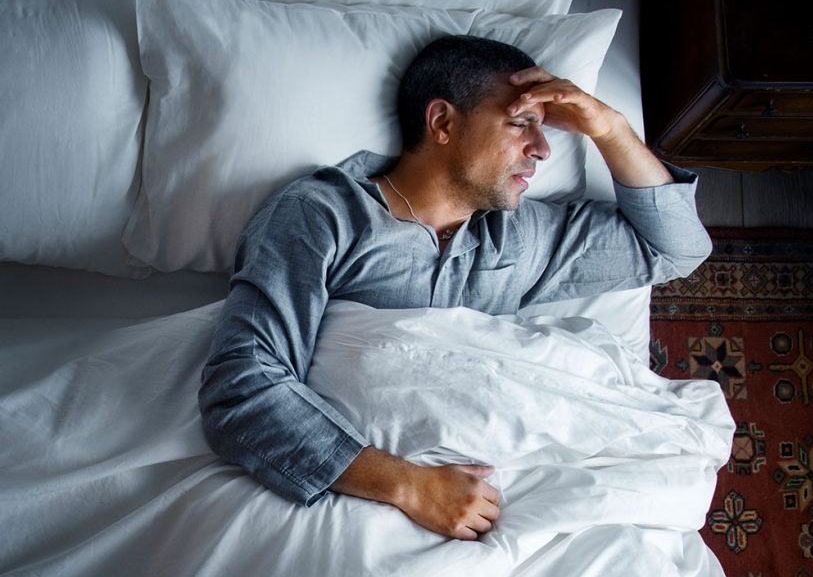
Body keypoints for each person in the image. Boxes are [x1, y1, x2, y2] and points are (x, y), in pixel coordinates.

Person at [199, 35, 712, 541]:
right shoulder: (324, 215)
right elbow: (243, 384)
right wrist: (408, 486)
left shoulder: (519, 237)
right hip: (363, 496)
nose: (542, 149)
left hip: (498, 504)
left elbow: (674, 248)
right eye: (520, 124)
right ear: (442, 122)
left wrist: (610, 128)